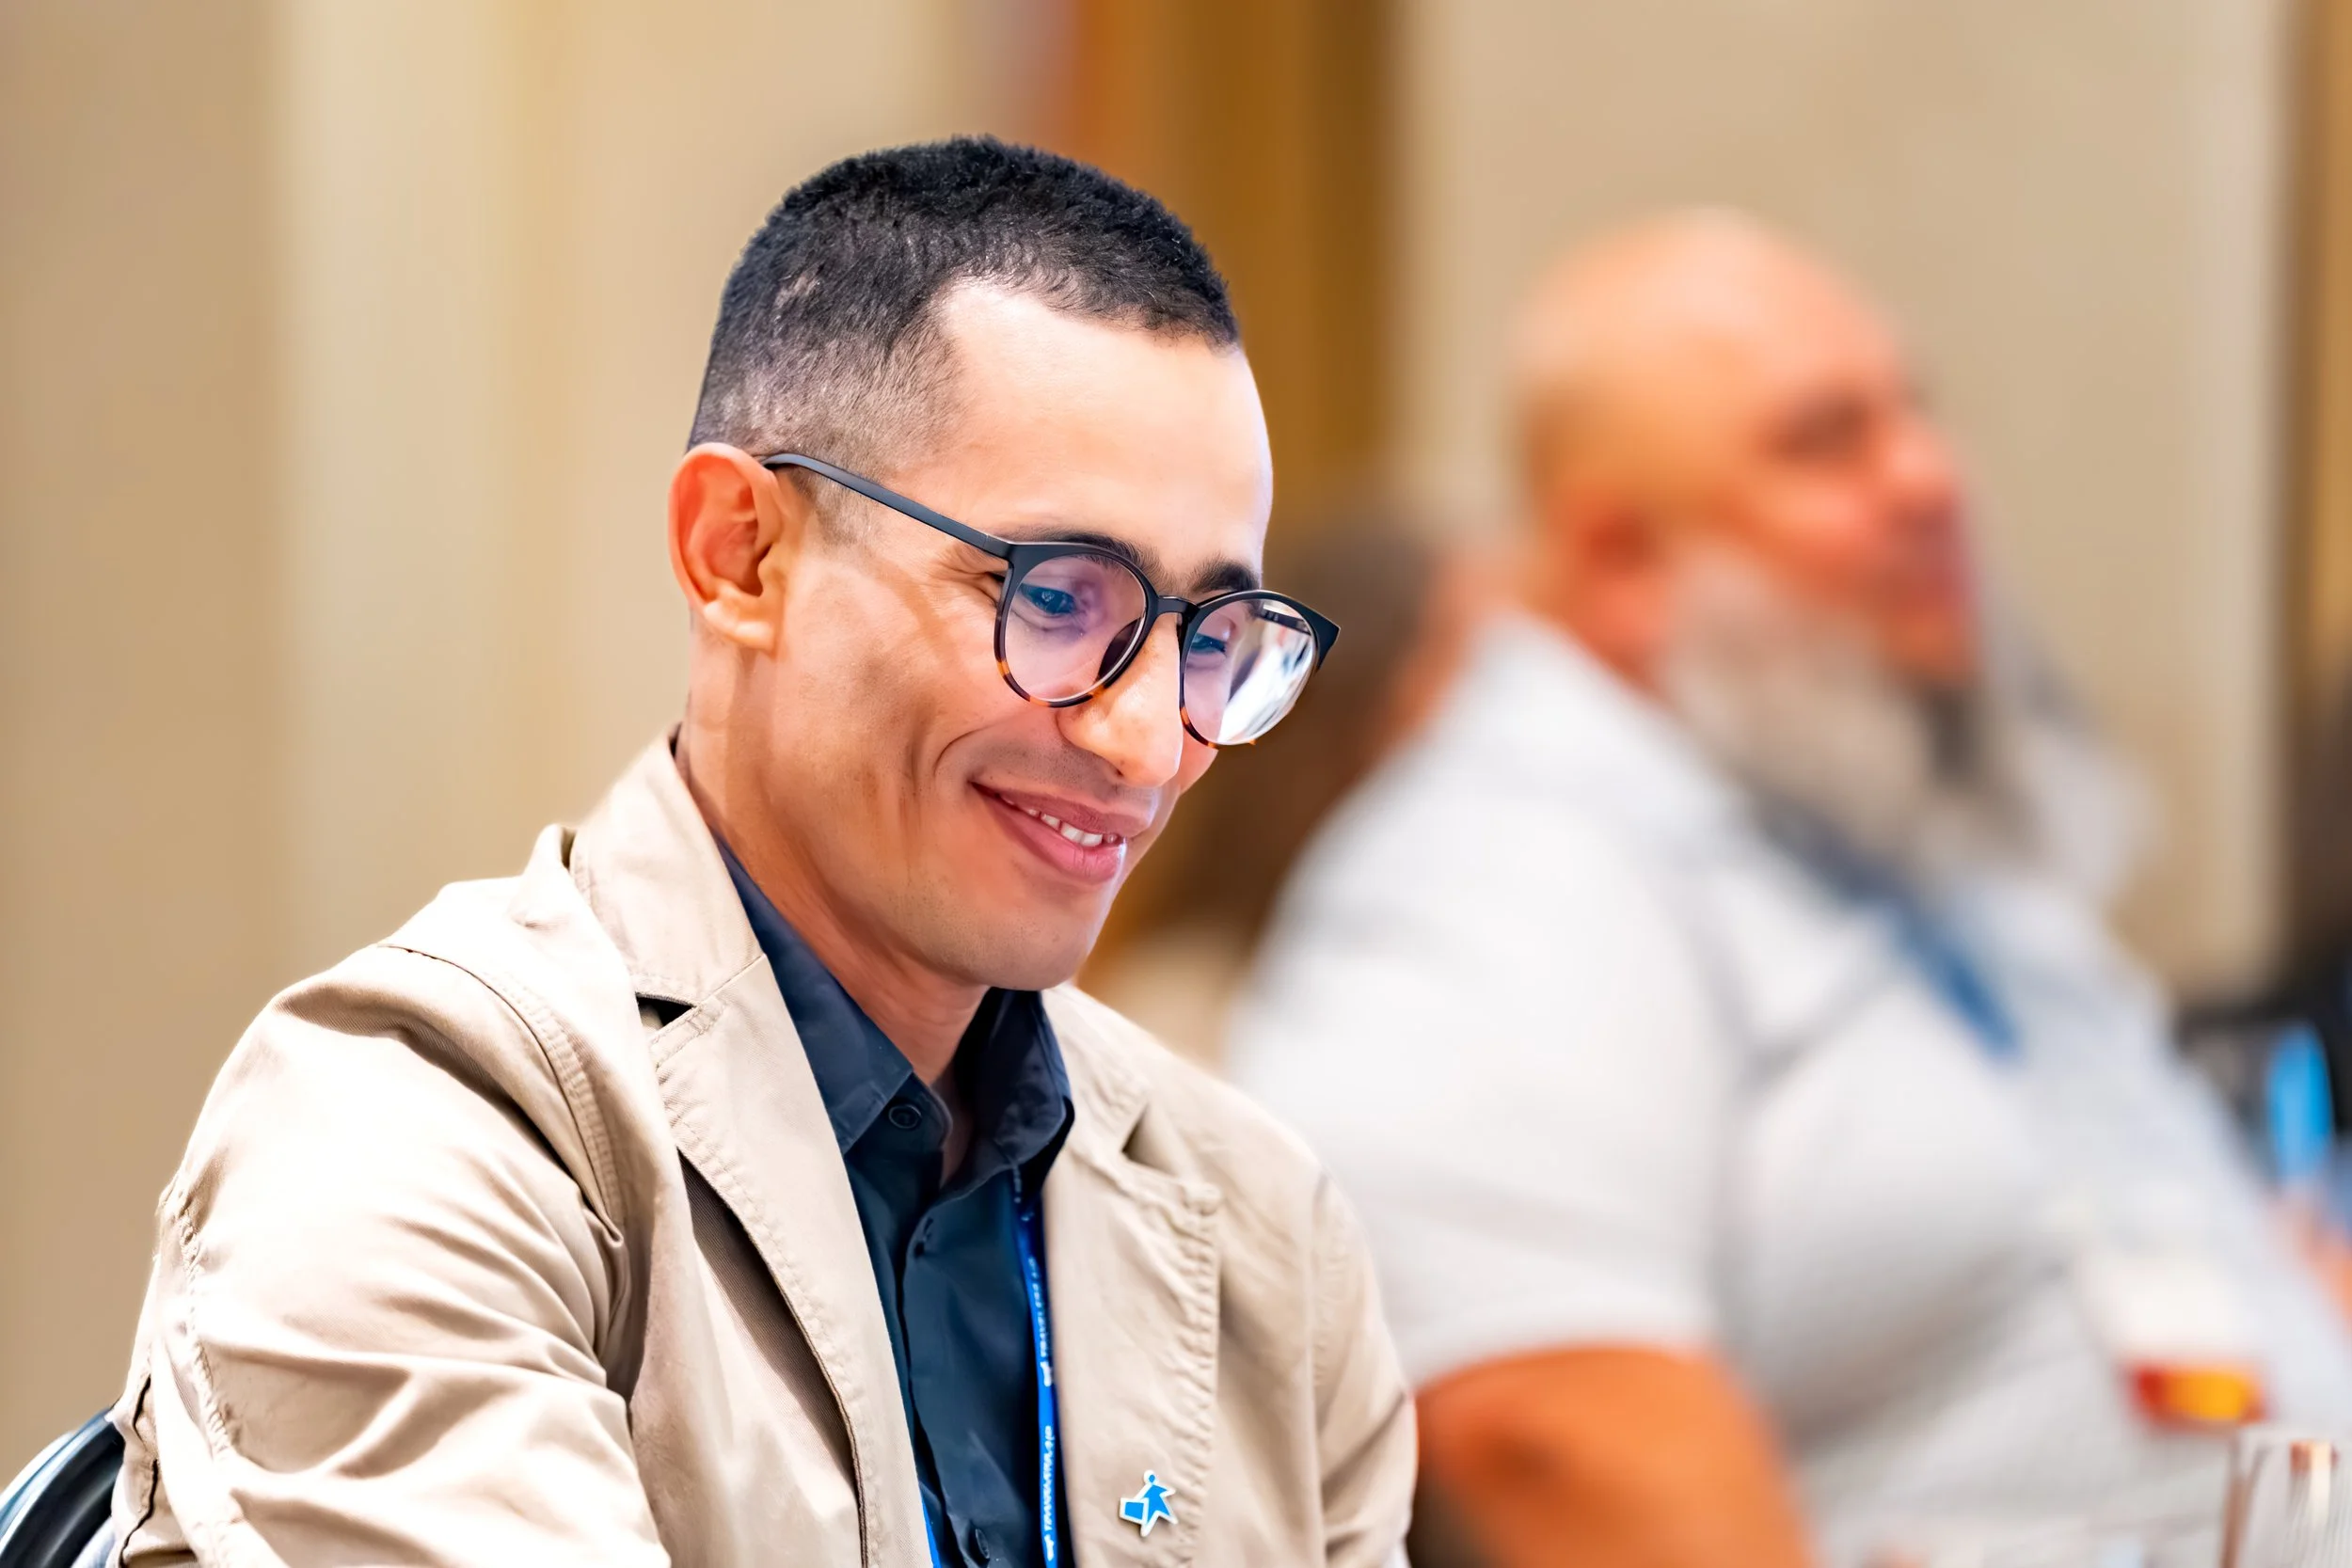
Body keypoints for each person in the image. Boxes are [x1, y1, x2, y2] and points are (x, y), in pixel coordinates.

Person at [109, 138, 1414, 1567]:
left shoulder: (1259, 1230)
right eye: (1058, 598)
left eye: (1212, 639)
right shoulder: (420, 1119)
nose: (1151, 742)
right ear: (741, 553)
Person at [1230, 212, 2352, 1566]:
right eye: (1828, 444)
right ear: (1621, 558)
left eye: (1914, 415)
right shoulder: (1500, 869)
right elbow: (1548, 1424)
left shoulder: (1876, 822)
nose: (1929, 478)